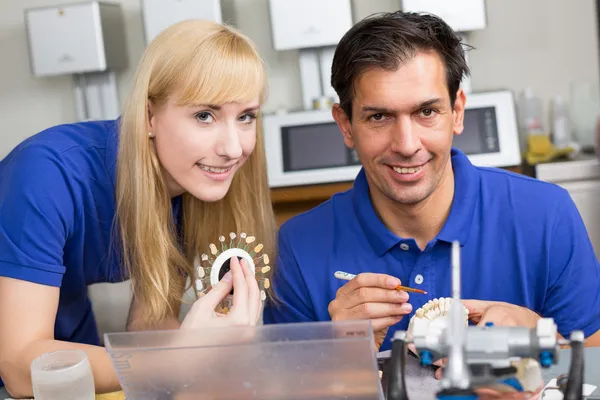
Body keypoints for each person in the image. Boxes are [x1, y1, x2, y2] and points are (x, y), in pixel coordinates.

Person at [263, 9, 600, 366]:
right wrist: (337, 354)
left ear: (456, 112)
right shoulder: (297, 248)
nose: (406, 144)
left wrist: (549, 344)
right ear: (346, 125)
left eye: (426, 112)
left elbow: (594, 364)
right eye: (379, 117)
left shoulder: (547, 216)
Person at [0, 20, 276, 398]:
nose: (233, 148)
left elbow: (150, 331)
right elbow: (20, 367)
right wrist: (183, 356)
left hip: (68, 359)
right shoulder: (45, 175)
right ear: (149, 117)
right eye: (204, 116)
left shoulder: (187, 186)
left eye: (246, 116)